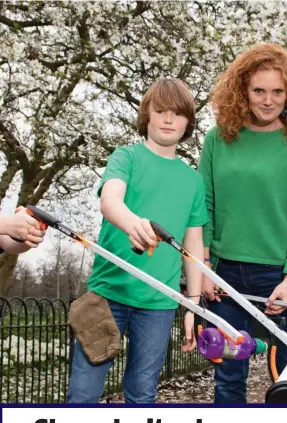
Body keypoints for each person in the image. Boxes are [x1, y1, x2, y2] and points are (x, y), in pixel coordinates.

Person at [66, 78, 209, 403]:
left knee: (142, 395)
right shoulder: (125, 157)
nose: (169, 119)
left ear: (188, 121)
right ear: (147, 115)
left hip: (159, 305)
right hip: (107, 295)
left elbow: (194, 246)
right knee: (83, 395)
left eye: (178, 113)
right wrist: (134, 224)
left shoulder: (193, 181)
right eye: (161, 111)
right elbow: (110, 201)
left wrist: (193, 304)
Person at [196, 43, 287, 404]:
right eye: (259, 91)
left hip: (280, 278)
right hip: (224, 278)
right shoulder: (218, 139)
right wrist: (204, 267)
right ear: (242, 92)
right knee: (228, 380)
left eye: (278, 91)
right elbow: (204, 206)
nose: (268, 100)